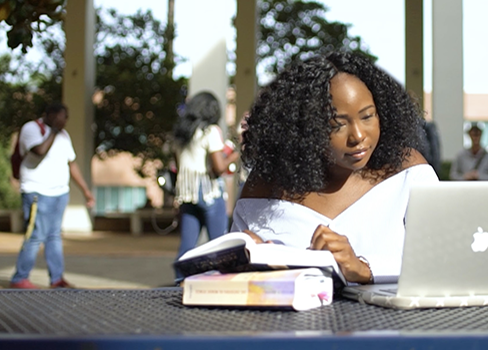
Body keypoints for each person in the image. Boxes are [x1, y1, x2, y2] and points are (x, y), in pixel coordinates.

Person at [230, 51, 439, 284]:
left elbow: (443, 262)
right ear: (306, 129)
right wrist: (245, 263)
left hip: (394, 321)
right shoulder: (267, 186)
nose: (358, 136)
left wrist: (363, 269)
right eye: (338, 125)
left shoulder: (407, 172)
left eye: (368, 117)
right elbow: (228, 277)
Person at [9, 103, 95, 289]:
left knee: (54, 236)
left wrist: (85, 191)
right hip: (36, 192)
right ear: (51, 115)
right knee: (34, 235)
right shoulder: (31, 129)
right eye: (63, 117)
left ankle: (57, 278)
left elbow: (71, 164)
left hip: (59, 193)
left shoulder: (64, 136)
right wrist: (53, 132)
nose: (65, 121)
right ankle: (19, 277)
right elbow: (38, 151)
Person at [172, 91, 240, 280]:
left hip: (187, 191)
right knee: (218, 243)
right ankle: (220, 282)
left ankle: (179, 282)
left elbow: (177, 165)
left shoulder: (182, 134)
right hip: (207, 191)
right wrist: (236, 153)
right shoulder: (210, 131)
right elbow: (218, 168)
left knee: (187, 244)